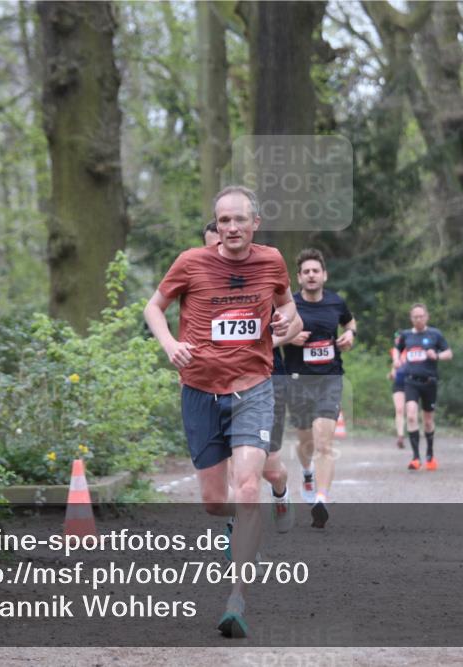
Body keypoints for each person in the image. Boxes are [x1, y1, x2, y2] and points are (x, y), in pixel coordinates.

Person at [144, 185, 298, 638]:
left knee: (247, 486)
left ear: (256, 223)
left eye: (240, 220)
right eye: (224, 220)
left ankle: (237, 599)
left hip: (253, 388)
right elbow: (154, 307)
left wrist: (290, 323)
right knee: (216, 502)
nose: (232, 228)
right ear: (216, 225)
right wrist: (170, 344)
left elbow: (289, 309)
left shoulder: (272, 261)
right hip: (199, 391)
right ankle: (237, 519)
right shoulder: (190, 263)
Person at [205, 215, 300, 531]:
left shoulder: (261, 273)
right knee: (236, 471)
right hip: (219, 385)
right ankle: (244, 541)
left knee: (271, 470)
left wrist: (266, 340)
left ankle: (280, 493)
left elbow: (296, 321)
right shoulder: (201, 285)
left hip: (264, 380)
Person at [283, 248, 355, 528]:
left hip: (330, 379)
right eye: (306, 272)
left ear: (324, 275)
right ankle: (307, 472)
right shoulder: (289, 305)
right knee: (306, 443)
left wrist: (350, 334)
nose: (311, 275)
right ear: (299, 278)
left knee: (325, 444)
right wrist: (289, 338)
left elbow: (349, 322)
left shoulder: (336, 303)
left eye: (316, 271)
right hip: (298, 380)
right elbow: (270, 333)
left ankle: (321, 500)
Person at [393, 303, 452, 470]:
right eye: (415, 317)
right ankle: (415, 458)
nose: (418, 319)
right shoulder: (405, 335)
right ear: (411, 318)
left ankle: (430, 455)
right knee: (411, 415)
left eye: (421, 316)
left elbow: (449, 353)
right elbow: (397, 349)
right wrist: (396, 359)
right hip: (411, 381)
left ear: (427, 317)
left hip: (429, 382)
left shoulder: (435, 334)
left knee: (428, 421)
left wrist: (438, 355)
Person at [389, 331, 407, 449]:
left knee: (410, 411)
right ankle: (400, 436)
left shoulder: (409, 351)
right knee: (399, 409)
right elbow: (393, 372)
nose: (397, 340)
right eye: (395, 338)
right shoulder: (394, 353)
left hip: (411, 383)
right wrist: (391, 374)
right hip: (398, 384)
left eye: (399, 338)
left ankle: (411, 431)